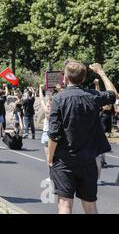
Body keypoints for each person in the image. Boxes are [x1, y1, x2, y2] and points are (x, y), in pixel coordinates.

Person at [48, 61, 117, 214]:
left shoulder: (59, 99)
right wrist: (101, 72)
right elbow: (114, 95)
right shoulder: (92, 96)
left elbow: (54, 134)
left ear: (65, 78)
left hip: (64, 160)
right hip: (88, 159)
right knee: (90, 206)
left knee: (65, 206)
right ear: (84, 78)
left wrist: (49, 157)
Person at [94, 78, 111, 179]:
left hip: (99, 126)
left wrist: (97, 84)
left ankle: (98, 178)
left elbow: (98, 94)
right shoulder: (96, 104)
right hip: (94, 128)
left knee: (98, 154)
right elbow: (97, 94)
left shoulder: (102, 104)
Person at [39, 84, 52, 178]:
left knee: (48, 157)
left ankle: (50, 175)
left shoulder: (47, 112)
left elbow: (41, 100)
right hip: (54, 135)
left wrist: (40, 89)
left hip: (46, 135)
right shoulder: (56, 111)